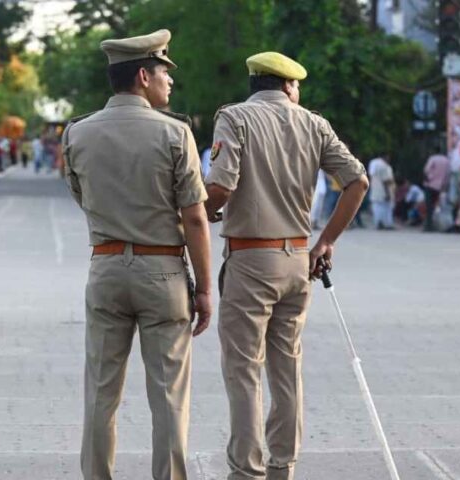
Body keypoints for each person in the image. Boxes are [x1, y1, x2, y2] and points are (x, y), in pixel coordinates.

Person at [204, 51, 368, 480]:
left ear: (255, 82)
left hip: (250, 259)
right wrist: (326, 241)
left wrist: (199, 211)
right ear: (289, 86)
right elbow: (357, 181)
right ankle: (283, 467)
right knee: (287, 368)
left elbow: (220, 185)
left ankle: (246, 471)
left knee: (243, 370)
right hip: (298, 260)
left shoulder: (235, 118)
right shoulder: (314, 124)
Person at [61, 29, 212, 480]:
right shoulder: (175, 133)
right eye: (165, 72)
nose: (170, 81)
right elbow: (197, 219)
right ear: (144, 75)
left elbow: (81, 195)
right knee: (168, 396)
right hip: (162, 273)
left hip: (105, 267)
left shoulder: (77, 133)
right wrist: (205, 288)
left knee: (100, 395)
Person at [423, 146, 451, 231]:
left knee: (429, 206)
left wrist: (429, 178)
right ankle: (435, 226)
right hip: (440, 186)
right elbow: (447, 174)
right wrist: (445, 184)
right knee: (437, 206)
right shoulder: (446, 161)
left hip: (430, 185)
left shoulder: (432, 158)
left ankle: (429, 226)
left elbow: (426, 170)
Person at [368, 154, 395, 230]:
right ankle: (386, 223)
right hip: (383, 190)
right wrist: (388, 193)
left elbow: (371, 175)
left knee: (376, 207)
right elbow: (386, 181)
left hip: (374, 189)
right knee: (386, 207)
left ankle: (378, 222)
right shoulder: (384, 166)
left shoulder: (373, 163)